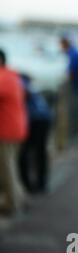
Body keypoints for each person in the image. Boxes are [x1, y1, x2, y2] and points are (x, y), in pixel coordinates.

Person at [0, 49, 29, 215]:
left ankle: (13, 205)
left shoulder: (2, 78)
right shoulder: (13, 75)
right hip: (18, 128)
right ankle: (19, 198)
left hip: (7, 131)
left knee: (7, 169)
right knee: (10, 167)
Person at [18, 74, 52, 194]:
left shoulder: (16, 80)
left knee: (24, 154)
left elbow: (23, 93)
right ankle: (41, 184)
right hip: (43, 118)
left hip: (34, 120)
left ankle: (28, 185)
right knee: (39, 152)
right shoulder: (20, 78)